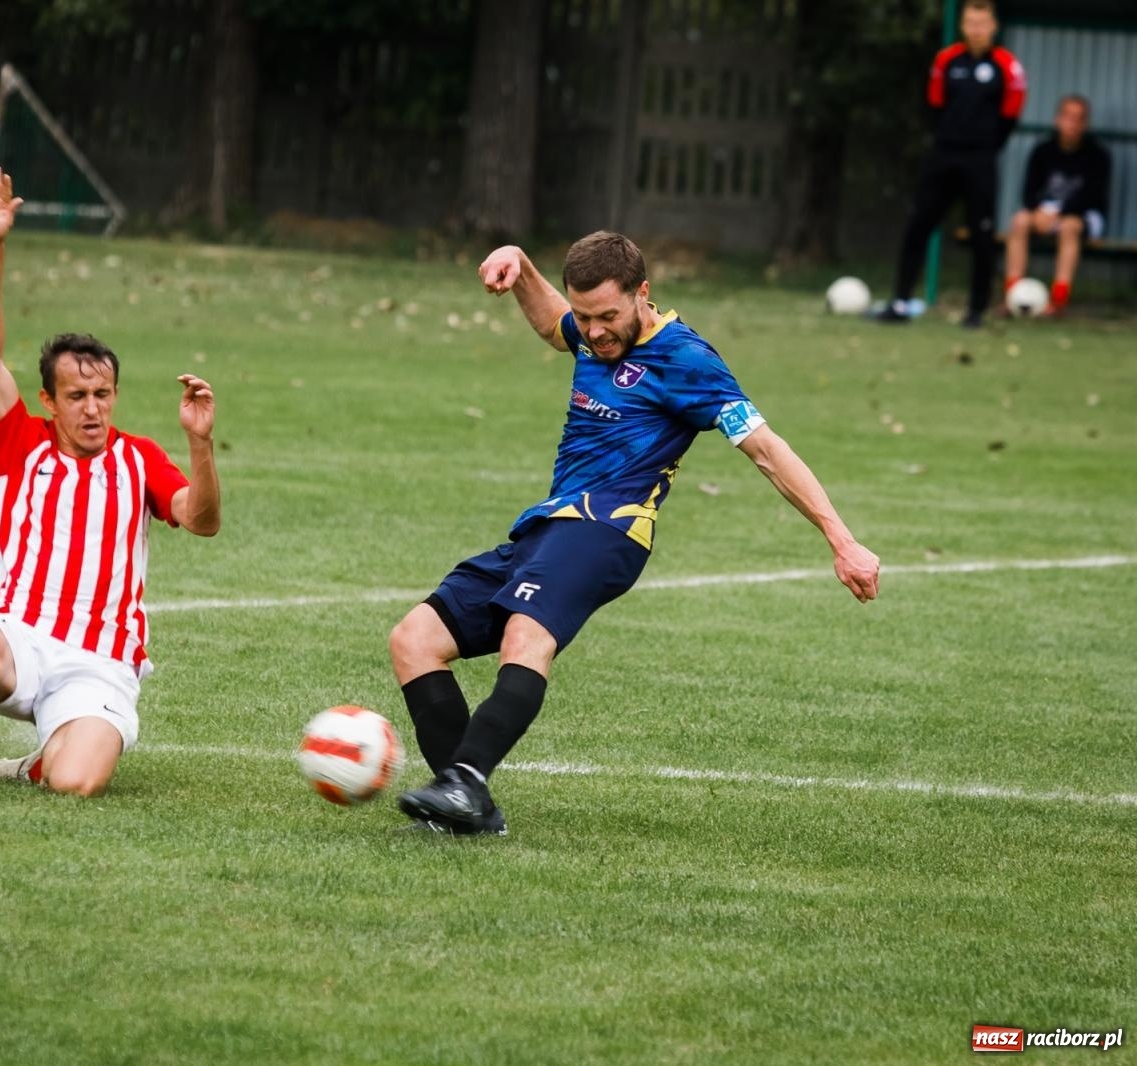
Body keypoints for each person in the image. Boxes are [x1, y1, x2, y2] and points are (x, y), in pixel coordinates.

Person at [389, 233, 881, 836]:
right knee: (414, 639)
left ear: (642, 294)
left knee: (526, 633)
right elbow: (553, 326)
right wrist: (519, 266)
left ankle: (466, 780)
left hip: (609, 530)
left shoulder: (687, 360)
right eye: (586, 316)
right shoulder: (593, 334)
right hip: (546, 527)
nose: (594, 333)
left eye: (607, 317)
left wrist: (842, 538)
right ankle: (463, 808)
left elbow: (767, 450)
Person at [0, 165, 222, 796]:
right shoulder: (19, 443)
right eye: (77, 395)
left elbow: (202, 520)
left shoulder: (139, 458)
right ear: (48, 401)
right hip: (16, 634)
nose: (93, 408)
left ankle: (35, 763)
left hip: (100, 661)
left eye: (103, 393)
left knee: (77, 783)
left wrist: (200, 444)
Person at [877, 0, 1026, 329]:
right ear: (962, 26)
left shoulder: (1007, 66)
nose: (976, 29)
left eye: (982, 23)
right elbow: (934, 105)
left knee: (982, 235)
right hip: (943, 156)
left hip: (981, 160)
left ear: (993, 26)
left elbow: (1010, 116)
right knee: (918, 225)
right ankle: (900, 302)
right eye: (971, 23)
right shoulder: (946, 61)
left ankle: (976, 311)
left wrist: (985, 145)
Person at [1003, 94, 1110, 316]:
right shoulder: (1043, 150)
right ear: (1057, 120)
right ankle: (1013, 295)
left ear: (1085, 124)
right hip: (1047, 211)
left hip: (1085, 215)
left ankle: (1059, 301)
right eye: (1068, 117)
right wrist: (1041, 211)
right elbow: (1028, 193)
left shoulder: (1098, 154)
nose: (1072, 124)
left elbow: (1093, 196)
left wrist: (1060, 213)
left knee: (1069, 227)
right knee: (1020, 220)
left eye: (1078, 119)